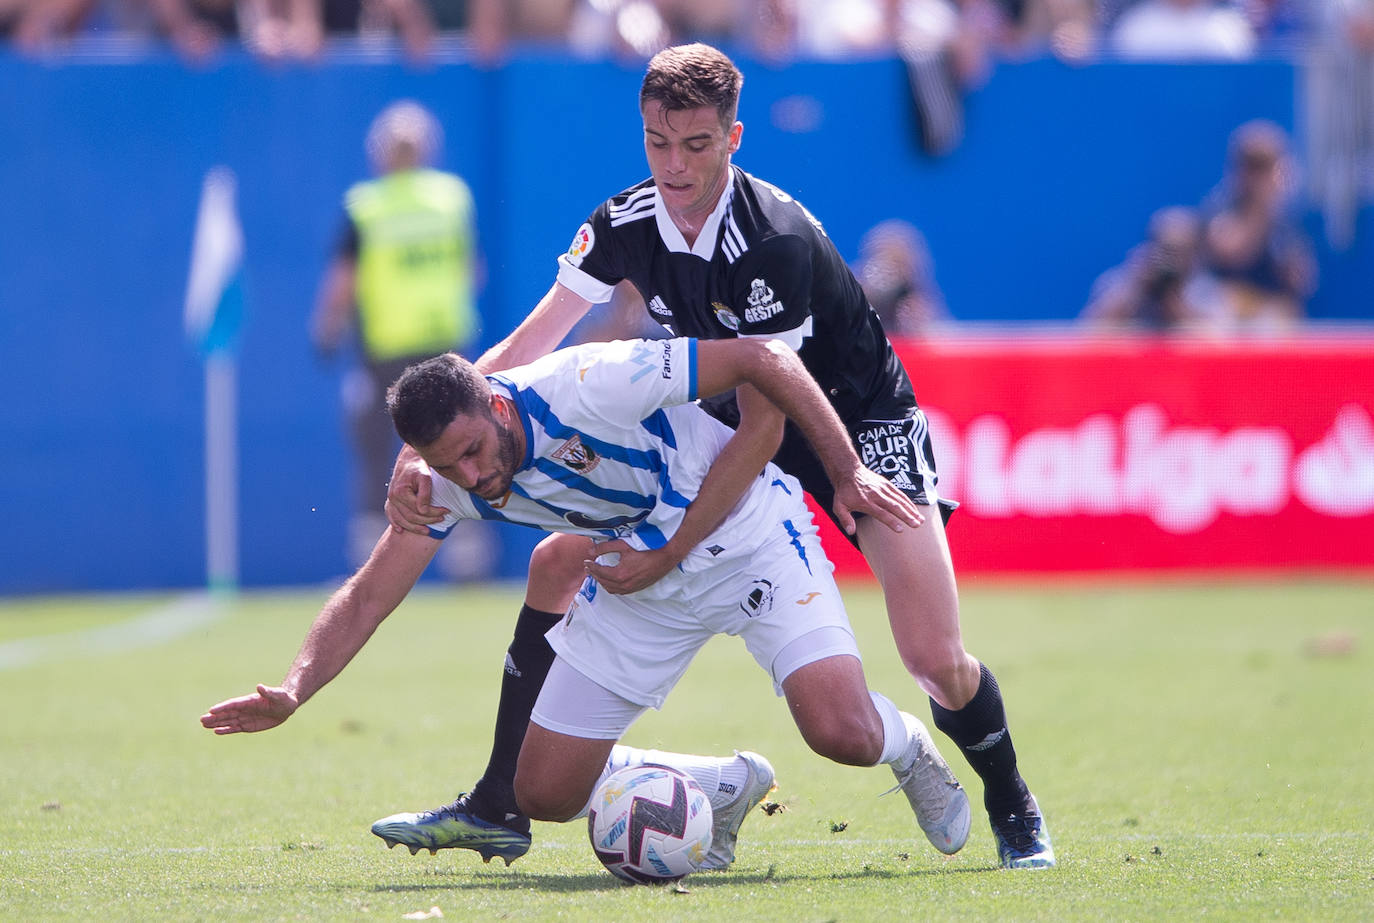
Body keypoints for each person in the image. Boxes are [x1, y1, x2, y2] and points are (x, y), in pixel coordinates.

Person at [383, 43, 1054, 870]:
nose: (675, 164)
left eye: (696, 145)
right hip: (739, 409)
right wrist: (428, 437)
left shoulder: (772, 239)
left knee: (933, 656)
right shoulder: (622, 223)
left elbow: (771, 423)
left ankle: (1010, 797)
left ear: (734, 137)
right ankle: (544, 785)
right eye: (659, 143)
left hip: (856, 418)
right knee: (565, 556)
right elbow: (533, 339)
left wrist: (676, 547)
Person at [201, 336, 972, 872]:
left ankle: (905, 745)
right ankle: (719, 782)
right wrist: (297, 686)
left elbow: (764, 360)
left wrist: (842, 470)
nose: (470, 476)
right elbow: (369, 594)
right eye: (445, 465)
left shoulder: (589, 383)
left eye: (471, 451)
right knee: (542, 792)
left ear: (499, 409)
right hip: (638, 574)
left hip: (747, 533)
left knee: (839, 731)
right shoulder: (446, 481)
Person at [312, 100, 482, 568]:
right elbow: (472, 270)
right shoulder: (452, 198)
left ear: (379, 153)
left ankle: (370, 560)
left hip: (386, 349)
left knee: (376, 455)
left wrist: (326, 332)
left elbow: (342, 282)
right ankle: (468, 561)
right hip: (445, 344)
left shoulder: (366, 207)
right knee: (462, 447)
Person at [1199, 120, 1317, 329]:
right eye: (1256, 169)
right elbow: (1230, 252)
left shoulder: (1283, 217)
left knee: (1283, 313)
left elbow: (1303, 281)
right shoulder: (1222, 206)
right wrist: (1261, 206)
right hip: (1225, 313)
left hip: (1270, 315)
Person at [1081, 206, 1227, 332]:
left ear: (1195, 254)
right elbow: (1088, 335)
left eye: (1180, 252)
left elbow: (1216, 343)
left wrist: (1171, 301)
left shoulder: (1208, 291)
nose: (1170, 259)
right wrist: (1135, 288)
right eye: (1165, 249)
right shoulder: (1120, 284)